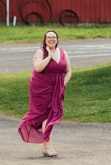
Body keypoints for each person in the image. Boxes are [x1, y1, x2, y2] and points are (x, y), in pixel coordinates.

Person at [18, 29, 72, 157]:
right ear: (45, 39)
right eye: (49, 37)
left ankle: (46, 147)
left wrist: (63, 84)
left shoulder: (63, 52)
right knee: (46, 116)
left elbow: (69, 71)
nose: (51, 39)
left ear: (57, 39)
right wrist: (49, 57)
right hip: (40, 87)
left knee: (51, 115)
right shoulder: (40, 52)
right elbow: (38, 68)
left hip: (56, 88)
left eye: (54, 37)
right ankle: (48, 146)